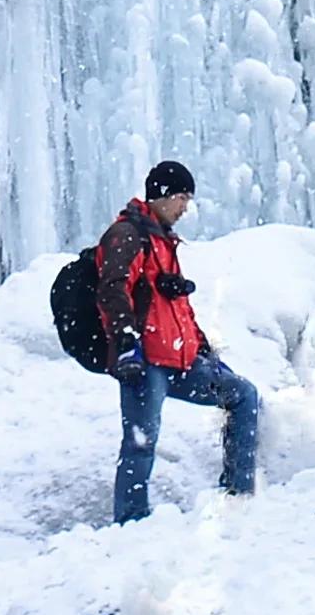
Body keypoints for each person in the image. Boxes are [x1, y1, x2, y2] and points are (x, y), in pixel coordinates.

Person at [95, 157, 259, 522]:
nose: (186, 207)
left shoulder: (163, 242)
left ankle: (238, 494)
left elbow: (177, 308)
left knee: (243, 395)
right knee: (141, 444)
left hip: (181, 361)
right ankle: (131, 522)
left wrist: (202, 349)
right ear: (162, 195)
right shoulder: (127, 235)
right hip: (145, 363)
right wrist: (125, 341)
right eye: (182, 198)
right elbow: (113, 288)